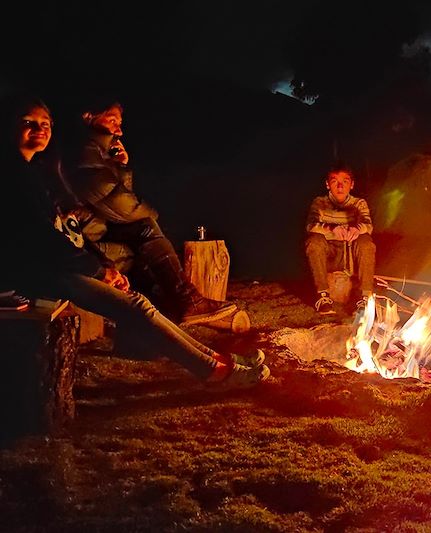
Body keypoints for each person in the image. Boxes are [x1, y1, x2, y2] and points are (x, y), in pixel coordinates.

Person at [0, 96, 269, 389]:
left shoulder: (30, 170)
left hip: (54, 263)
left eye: (45, 124)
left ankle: (215, 360)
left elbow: (59, 233)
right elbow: (41, 238)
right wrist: (101, 270)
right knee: (135, 303)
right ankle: (215, 372)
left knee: (138, 299)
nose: (39, 129)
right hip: (27, 276)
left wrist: (103, 267)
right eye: (29, 123)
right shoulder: (14, 174)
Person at [60, 98, 237, 326]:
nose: (119, 130)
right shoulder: (83, 152)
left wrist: (121, 166)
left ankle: (181, 306)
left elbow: (117, 200)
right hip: (83, 241)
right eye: (112, 120)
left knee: (146, 233)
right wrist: (151, 213)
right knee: (146, 230)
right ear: (89, 117)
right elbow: (119, 205)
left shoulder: (96, 151)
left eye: (119, 123)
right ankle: (183, 305)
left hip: (96, 231)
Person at [305, 163, 376, 315]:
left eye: (345, 181)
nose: (340, 186)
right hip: (329, 254)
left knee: (366, 242)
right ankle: (323, 297)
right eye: (334, 181)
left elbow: (367, 225)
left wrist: (356, 230)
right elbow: (311, 225)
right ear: (327, 184)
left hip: (350, 255)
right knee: (314, 241)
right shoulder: (320, 203)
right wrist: (332, 230)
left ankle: (365, 297)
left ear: (352, 184)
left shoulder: (358, 203)